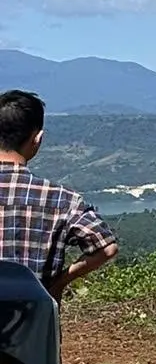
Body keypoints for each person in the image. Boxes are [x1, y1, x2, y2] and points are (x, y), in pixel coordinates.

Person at [0, 90, 118, 298]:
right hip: (35, 321)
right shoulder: (62, 200)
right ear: (37, 139)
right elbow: (107, 248)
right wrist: (60, 282)